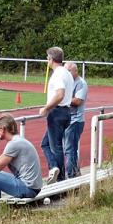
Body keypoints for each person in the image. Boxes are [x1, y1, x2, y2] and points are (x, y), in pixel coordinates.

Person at [39, 47, 73, 184]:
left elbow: (60, 94)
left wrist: (46, 108)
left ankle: (59, 178)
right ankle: (54, 168)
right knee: (45, 143)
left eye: (47, 58)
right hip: (66, 112)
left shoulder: (58, 74)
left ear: (51, 59)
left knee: (56, 146)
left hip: (57, 112)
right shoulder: (66, 73)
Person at [63, 61, 88, 178]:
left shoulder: (81, 83)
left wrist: (62, 98)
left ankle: (71, 175)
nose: (66, 73)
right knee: (69, 148)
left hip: (75, 120)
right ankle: (75, 172)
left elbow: (78, 101)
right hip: (66, 119)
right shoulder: (66, 82)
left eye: (68, 71)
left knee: (69, 148)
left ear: (75, 71)